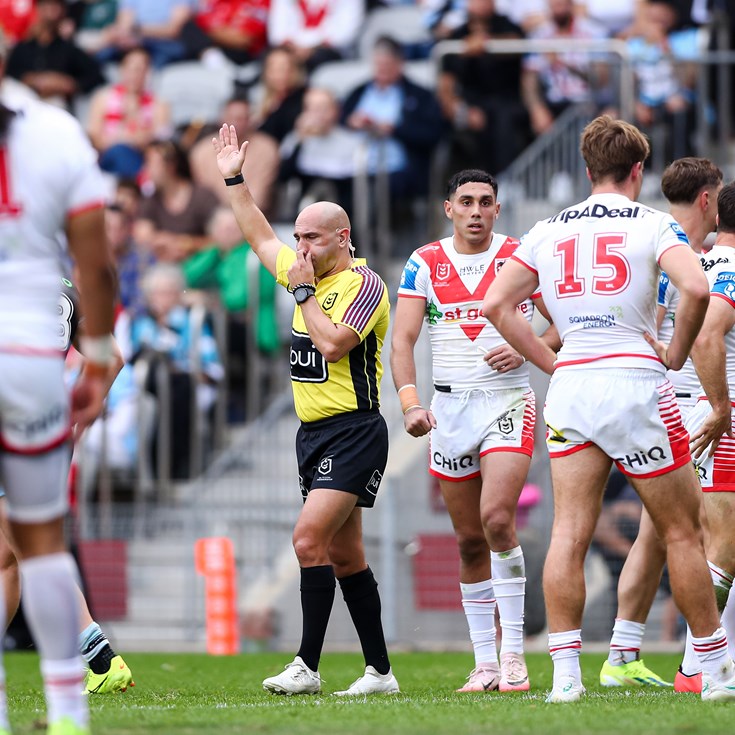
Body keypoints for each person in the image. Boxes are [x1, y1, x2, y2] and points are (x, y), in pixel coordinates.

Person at [482, 114, 735, 703]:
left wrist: (553, 366)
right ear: (639, 170)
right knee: (680, 532)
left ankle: (566, 679)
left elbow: (498, 302)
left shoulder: (547, 229)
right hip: (636, 383)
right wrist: (673, 353)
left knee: (570, 531)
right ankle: (717, 672)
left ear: (586, 168)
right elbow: (697, 290)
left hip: (573, 388)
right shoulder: (652, 224)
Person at [212, 123, 399, 696]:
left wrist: (301, 295)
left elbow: (333, 343)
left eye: (313, 239)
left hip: (355, 431)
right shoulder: (302, 269)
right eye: (300, 238)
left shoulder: (362, 284)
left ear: (342, 238)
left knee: (305, 541)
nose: (302, 249)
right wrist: (235, 180)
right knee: (345, 557)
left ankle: (308, 666)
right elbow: (258, 237)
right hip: (312, 434)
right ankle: (380, 673)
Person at [0, 30, 116, 735]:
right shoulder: (52, 129)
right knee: (41, 540)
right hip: (29, 353)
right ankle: (69, 708)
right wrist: (97, 358)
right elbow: (95, 263)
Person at [390, 169, 543, 692]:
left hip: (508, 401)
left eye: (486, 202)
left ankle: (514, 654)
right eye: (467, 202)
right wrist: (411, 404)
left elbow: (566, 322)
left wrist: (525, 345)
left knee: (498, 519)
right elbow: (402, 341)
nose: (476, 211)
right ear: (448, 208)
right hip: (450, 412)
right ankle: (484, 664)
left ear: (498, 210)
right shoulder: (425, 262)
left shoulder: (520, 255)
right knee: (469, 541)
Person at [597, 156, 723, 690]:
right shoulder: (671, 245)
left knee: (658, 534)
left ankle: (622, 653)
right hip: (686, 406)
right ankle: (704, 662)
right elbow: (705, 335)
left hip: (651, 402)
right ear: (707, 199)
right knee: (706, 538)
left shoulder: (642, 238)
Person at [0, 279, 134, 697]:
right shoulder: (66, 287)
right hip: (49, 425)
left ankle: (100, 657)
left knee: (31, 551)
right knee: (7, 559)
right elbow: (112, 358)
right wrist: (80, 421)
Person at [674, 182, 735, 692]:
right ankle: (698, 665)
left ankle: (716, 660)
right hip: (725, 415)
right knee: (722, 547)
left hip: (705, 408)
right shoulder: (731, 269)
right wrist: (719, 407)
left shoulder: (701, 261)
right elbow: (708, 334)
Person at [86, 46, 171, 179]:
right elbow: (94, 137)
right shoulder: (103, 98)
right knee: (120, 151)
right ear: (122, 70)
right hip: (107, 158)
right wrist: (127, 139)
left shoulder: (159, 105)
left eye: (139, 70)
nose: (134, 75)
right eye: (130, 69)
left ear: (148, 73)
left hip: (142, 160)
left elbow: (160, 143)